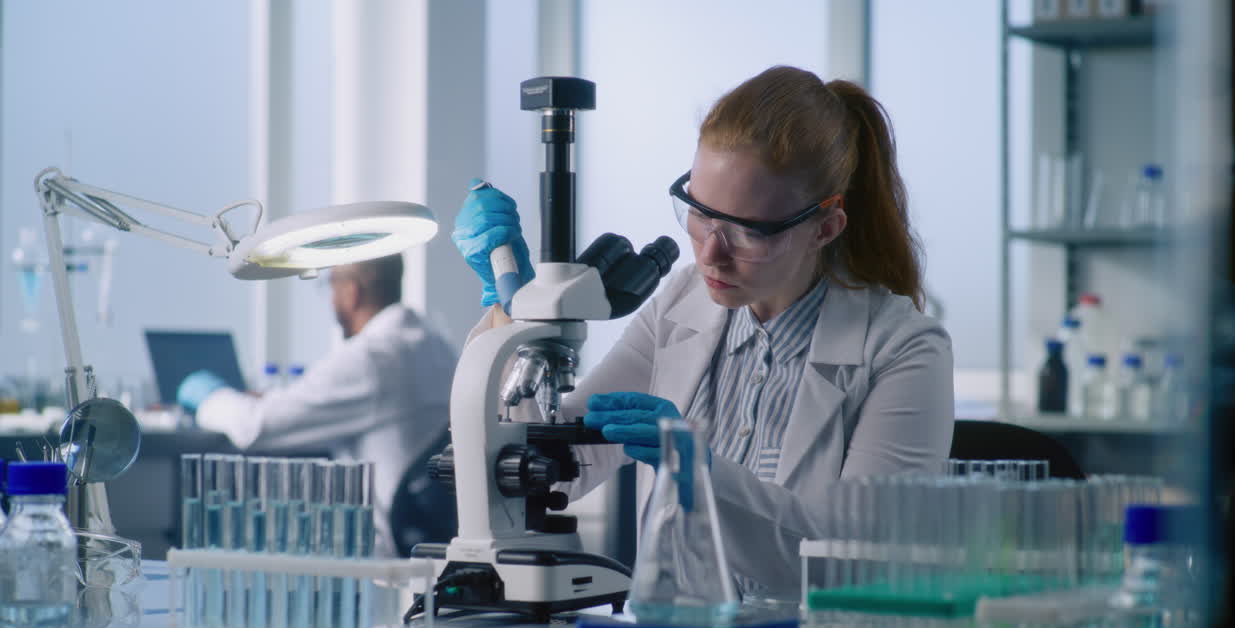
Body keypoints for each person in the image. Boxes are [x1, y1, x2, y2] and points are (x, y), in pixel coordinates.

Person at [450, 66, 954, 598]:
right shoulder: (680, 305)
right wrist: (514, 320)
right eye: (701, 213)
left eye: (747, 229)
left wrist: (704, 475)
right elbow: (554, 471)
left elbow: (858, 569)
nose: (711, 252)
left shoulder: (905, 351)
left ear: (825, 228)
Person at [176, 254, 459, 555]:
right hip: (430, 538)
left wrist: (206, 395)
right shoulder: (434, 343)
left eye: (331, 285)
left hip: (384, 554)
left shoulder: (372, 357)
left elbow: (254, 425)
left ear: (352, 292)